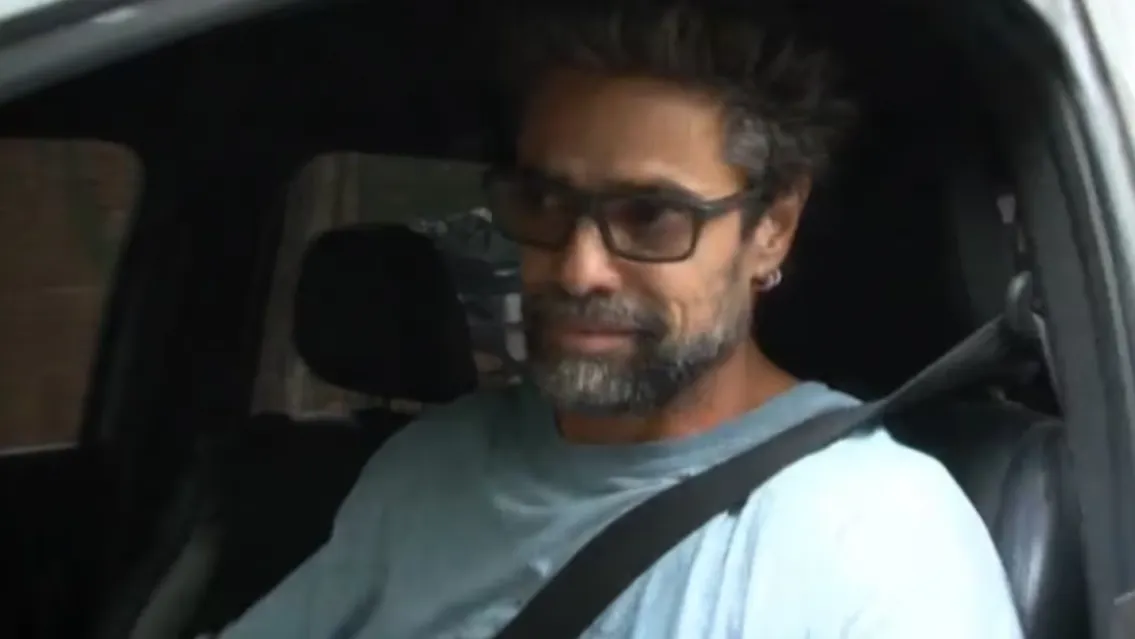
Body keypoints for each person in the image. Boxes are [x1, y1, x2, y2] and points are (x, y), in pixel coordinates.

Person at [220, 3, 1023, 637]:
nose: (577, 269)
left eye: (651, 215)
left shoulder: (877, 532)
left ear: (771, 227)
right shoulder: (428, 467)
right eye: (544, 200)